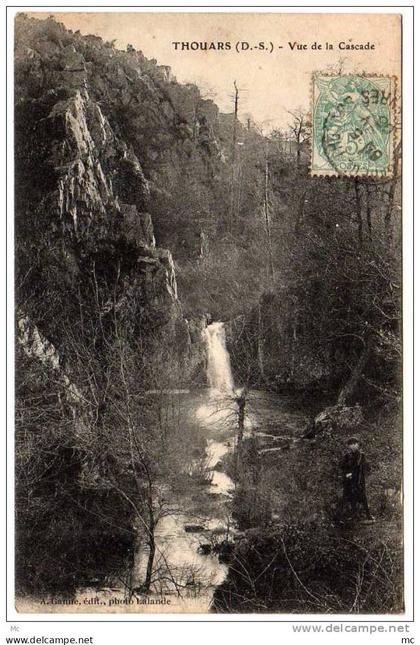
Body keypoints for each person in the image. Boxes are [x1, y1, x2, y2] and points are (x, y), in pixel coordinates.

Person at [340, 437, 374, 521]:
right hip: (349, 480)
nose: (351, 447)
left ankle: (368, 515)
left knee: (363, 497)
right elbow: (342, 466)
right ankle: (354, 516)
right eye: (350, 445)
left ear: (356, 445)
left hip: (359, 479)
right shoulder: (347, 456)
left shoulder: (362, 455)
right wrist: (346, 474)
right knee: (352, 498)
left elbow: (366, 468)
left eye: (353, 445)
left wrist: (362, 471)